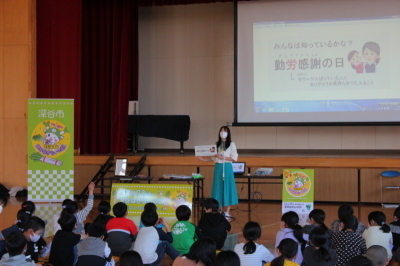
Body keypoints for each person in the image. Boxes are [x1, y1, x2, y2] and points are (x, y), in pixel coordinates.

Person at [197, 126, 238, 219]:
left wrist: (222, 157)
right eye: (221, 131)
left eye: (225, 131)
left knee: (228, 187)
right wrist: (202, 159)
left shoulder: (231, 144)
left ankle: (227, 211)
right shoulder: (217, 145)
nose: (223, 132)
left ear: (228, 133)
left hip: (226, 167)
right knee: (218, 187)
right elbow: (213, 158)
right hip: (218, 167)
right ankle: (219, 209)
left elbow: (234, 158)